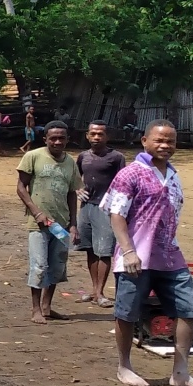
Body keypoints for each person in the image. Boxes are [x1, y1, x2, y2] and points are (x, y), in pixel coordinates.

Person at [104, 120, 193, 386]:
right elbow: (116, 215)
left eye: (170, 141)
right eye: (159, 140)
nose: (165, 146)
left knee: (189, 309)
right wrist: (128, 251)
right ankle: (124, 366)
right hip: (135, 256)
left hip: (169, 255)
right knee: (127, 313)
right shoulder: (130, 174)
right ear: (144, 141)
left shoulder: (174, 176)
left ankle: (181, 372)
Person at [16, 121, 80, 324]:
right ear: (45, 139)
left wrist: (73, 224)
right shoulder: (32, 156)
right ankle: (35, 309)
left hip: (60, 225)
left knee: (56, 267)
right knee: (39, 266)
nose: (58, 141)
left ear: (67, 139)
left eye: (62, 138)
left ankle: (47, 307)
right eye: (53, 138)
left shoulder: (71, 162)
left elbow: (72, 194)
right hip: (39, 224)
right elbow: (20, 187)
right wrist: (36, 213)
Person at [74, 121, 124, 307]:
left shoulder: (116, 157)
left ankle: (101, 292)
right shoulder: (82, 157)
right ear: (87, 135)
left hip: (106, 208)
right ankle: (94, 290)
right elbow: (76, 178)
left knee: (104, 251)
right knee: (90, 249)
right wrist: (78, 189)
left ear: (107, 136)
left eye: (100, 134)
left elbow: (122, 182)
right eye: (93, 134)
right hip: (86, 207)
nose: (96, 137)